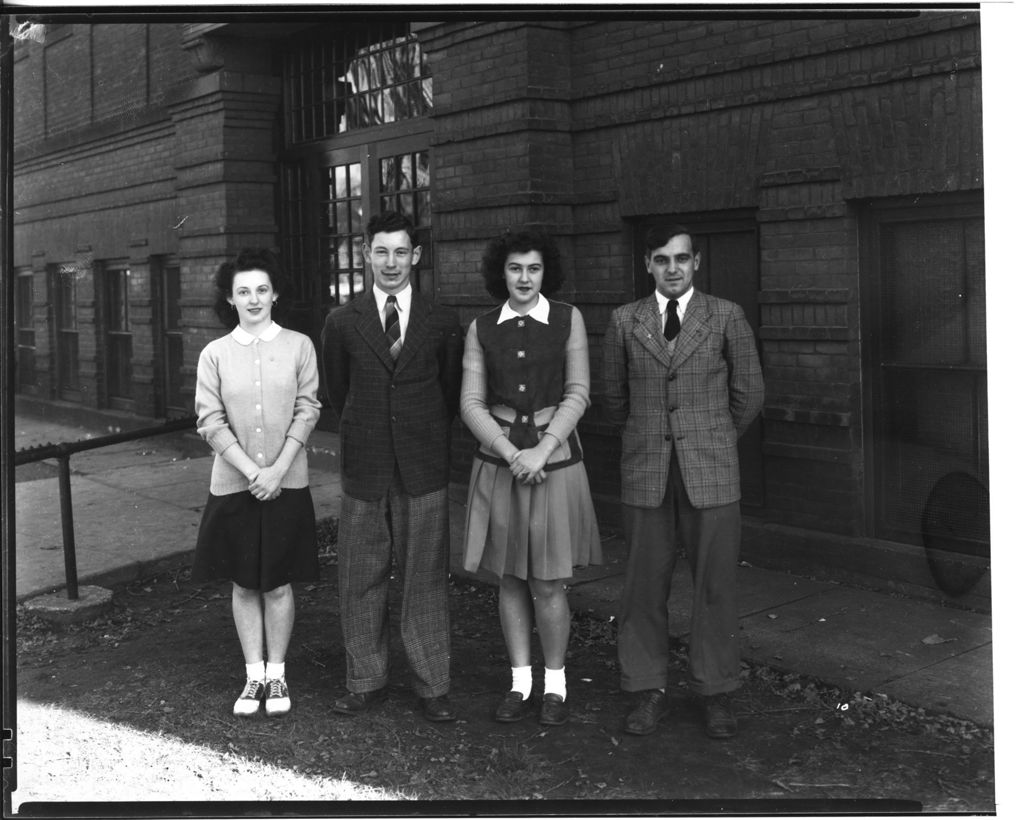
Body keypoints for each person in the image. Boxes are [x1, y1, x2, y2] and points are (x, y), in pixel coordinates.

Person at [602, 224, 764, 739]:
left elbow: (750, 393)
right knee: (643, 586)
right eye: (661, 260)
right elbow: (614, 397)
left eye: (681, 259)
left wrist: (712, 437)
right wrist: (651, 437)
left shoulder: (725, 316)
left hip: (711, 473)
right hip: (647, 471)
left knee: (714, 586)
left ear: (696, 262)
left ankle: (715, 691)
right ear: (647, 265)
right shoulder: (625, 321)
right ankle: (646, 689)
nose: (672, 268)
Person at [321, 210, 464, 723]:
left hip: (422, 465)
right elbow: (338, 391)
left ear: (416, 256)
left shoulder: (441, 321)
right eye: (381, 251)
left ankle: (432, 684)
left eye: (401, 251)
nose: (391, 262)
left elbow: (449, 393)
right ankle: (366, 679)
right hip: (365, 465)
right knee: (361, 574)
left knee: (424, 577)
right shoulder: (342, 322)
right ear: (366, 255)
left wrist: (415, 430)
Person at [461, 229, 602, 727]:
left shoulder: (568, 319)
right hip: (501, 465)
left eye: (534, 268)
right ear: (502, 272)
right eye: (516, 268)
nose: (524, 277)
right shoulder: (481, 327)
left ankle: (556, 686)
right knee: (511, 579)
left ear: (546, 273)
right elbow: (471, 403)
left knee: (547, 581)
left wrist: (542, 450)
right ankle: (520, 684)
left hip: (554, 461)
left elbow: (579, 391)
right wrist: (508, 451)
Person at [192, 247, 322, 718]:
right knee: (246, 583)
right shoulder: (215, 354)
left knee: (279, 582)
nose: (253, 299)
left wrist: (277, 470)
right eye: (243, 291)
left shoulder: (299, 346)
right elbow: (210, 420)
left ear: (275, 294)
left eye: (261, 290)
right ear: (230, 298)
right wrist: (252, 473)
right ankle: (253, 677)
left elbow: (308, 409)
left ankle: (277, 673)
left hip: (287, 482)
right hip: (235, 485)